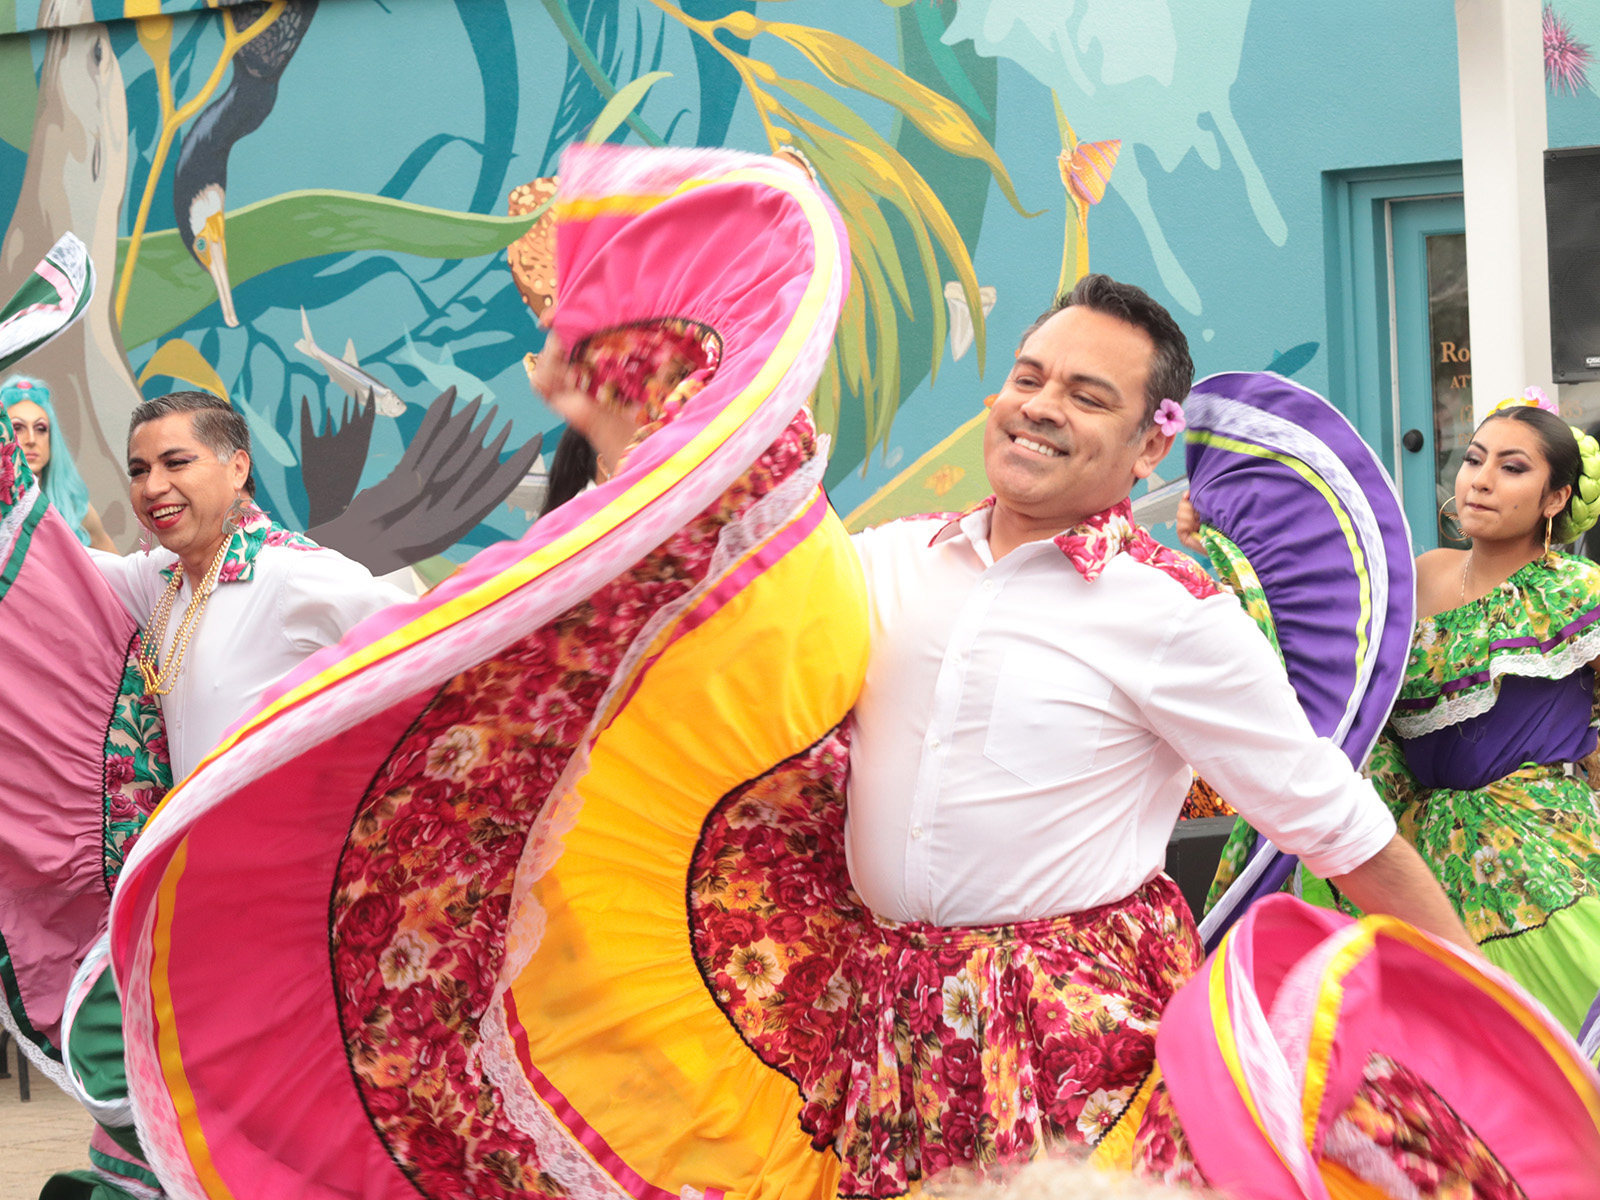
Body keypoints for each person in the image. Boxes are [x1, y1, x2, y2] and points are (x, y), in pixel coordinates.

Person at [819, 274, 1475, 1194]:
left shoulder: (1176, 615)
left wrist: (1499, 1030)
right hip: (886, 1032)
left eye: (1088, 397)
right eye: (1029, 378)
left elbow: (1340, 827)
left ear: (1152, 442)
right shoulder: (880, 561)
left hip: (1073, 1048)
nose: (1040, 408)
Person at [46, 389, 409, 1199]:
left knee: (267, 1115)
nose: (152, 486)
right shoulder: (164, 585)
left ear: (236, 466)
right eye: (139, 469)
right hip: (199, 904)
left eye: (177, 462)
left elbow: (428, 645)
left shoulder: (300, 578)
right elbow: (57, 572)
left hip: (285, 907)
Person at [1, 375, 115, 551]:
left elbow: (116, 573)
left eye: (40, 429)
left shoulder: (76, 509)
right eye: (17, 428)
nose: (31, 439)